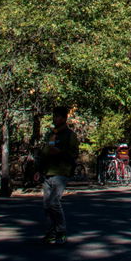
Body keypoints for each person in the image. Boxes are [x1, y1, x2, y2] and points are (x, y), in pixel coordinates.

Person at [37, 105, 80, 245]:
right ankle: (51, 232)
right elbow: (44, 152)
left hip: (61, 172)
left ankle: (61, 231)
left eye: (57, 116)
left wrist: (60, 153)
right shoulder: (52, 134)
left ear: (64, 118)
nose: (55, 119)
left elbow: (74, 154)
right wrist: (38, 170)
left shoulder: (70, 135)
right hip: (48, 172)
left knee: (54, 202)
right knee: (46, 205)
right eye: (54, 116)